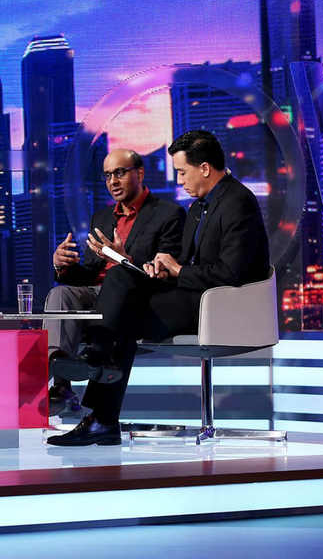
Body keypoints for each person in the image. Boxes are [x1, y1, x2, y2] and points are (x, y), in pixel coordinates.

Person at [47, 130, 270, 446]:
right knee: (122, 283)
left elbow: (231, 273)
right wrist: (161, 267)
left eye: (182, 171)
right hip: (194, 296)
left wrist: (178, 270)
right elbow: (183, 263)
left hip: (221, 306)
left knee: (122, 306)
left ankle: (99, 386)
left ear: (204, 168)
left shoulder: (237, 202)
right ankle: (101, 406)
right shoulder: (198, 208)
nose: (180, 180)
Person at [45, 148, 185, 413]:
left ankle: (79, 382)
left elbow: (165, 272)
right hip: (97, 292)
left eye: (120, 173)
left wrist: (125, 259)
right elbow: (89, 271)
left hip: (134, 296)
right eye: (108, 176)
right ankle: (60, 378)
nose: (113, 182)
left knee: (109, 284)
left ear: (140, 173)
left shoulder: (168, 214)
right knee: (60, 293)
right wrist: (62, 265)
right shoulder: (102, 217)